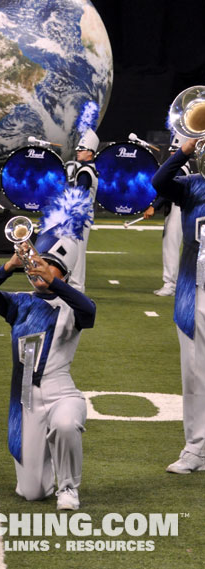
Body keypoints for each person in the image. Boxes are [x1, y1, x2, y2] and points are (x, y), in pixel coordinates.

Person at [0, 224, 95, 510]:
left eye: (48, 266)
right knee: (32, 492)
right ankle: (46, 473)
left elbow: (89, 312)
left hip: (60, 392)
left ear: (64, 273)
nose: (38, 271)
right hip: (26, 400)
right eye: (36, 266)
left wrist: (55, 283)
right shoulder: (20, 303)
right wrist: (10, 265)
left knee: (66, 424)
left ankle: (69, 488)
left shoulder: (72, 306)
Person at [151, 136, 205, 474]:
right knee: (194, 375)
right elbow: (159, 182)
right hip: (192, 292)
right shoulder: (193, 187)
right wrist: (184, 150)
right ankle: (196, 448)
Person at [144, 134, 187, 297]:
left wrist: (154, 207)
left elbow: (167, 191)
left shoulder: (179, 168)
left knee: (171, 246)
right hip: (179, 209)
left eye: (176, 150)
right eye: (172, 150)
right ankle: (174, 283)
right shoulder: (181, 167)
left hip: (178, 210)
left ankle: (170, 284)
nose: (172, 153)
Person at [64, 107, 100, 293]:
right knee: (75, 249)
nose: (78, 152)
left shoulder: (85, 171)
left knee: (77, 251)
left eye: (82, 149)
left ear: (91, 152)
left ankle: (77, 286)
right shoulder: (89, 169)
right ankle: (75, 284)